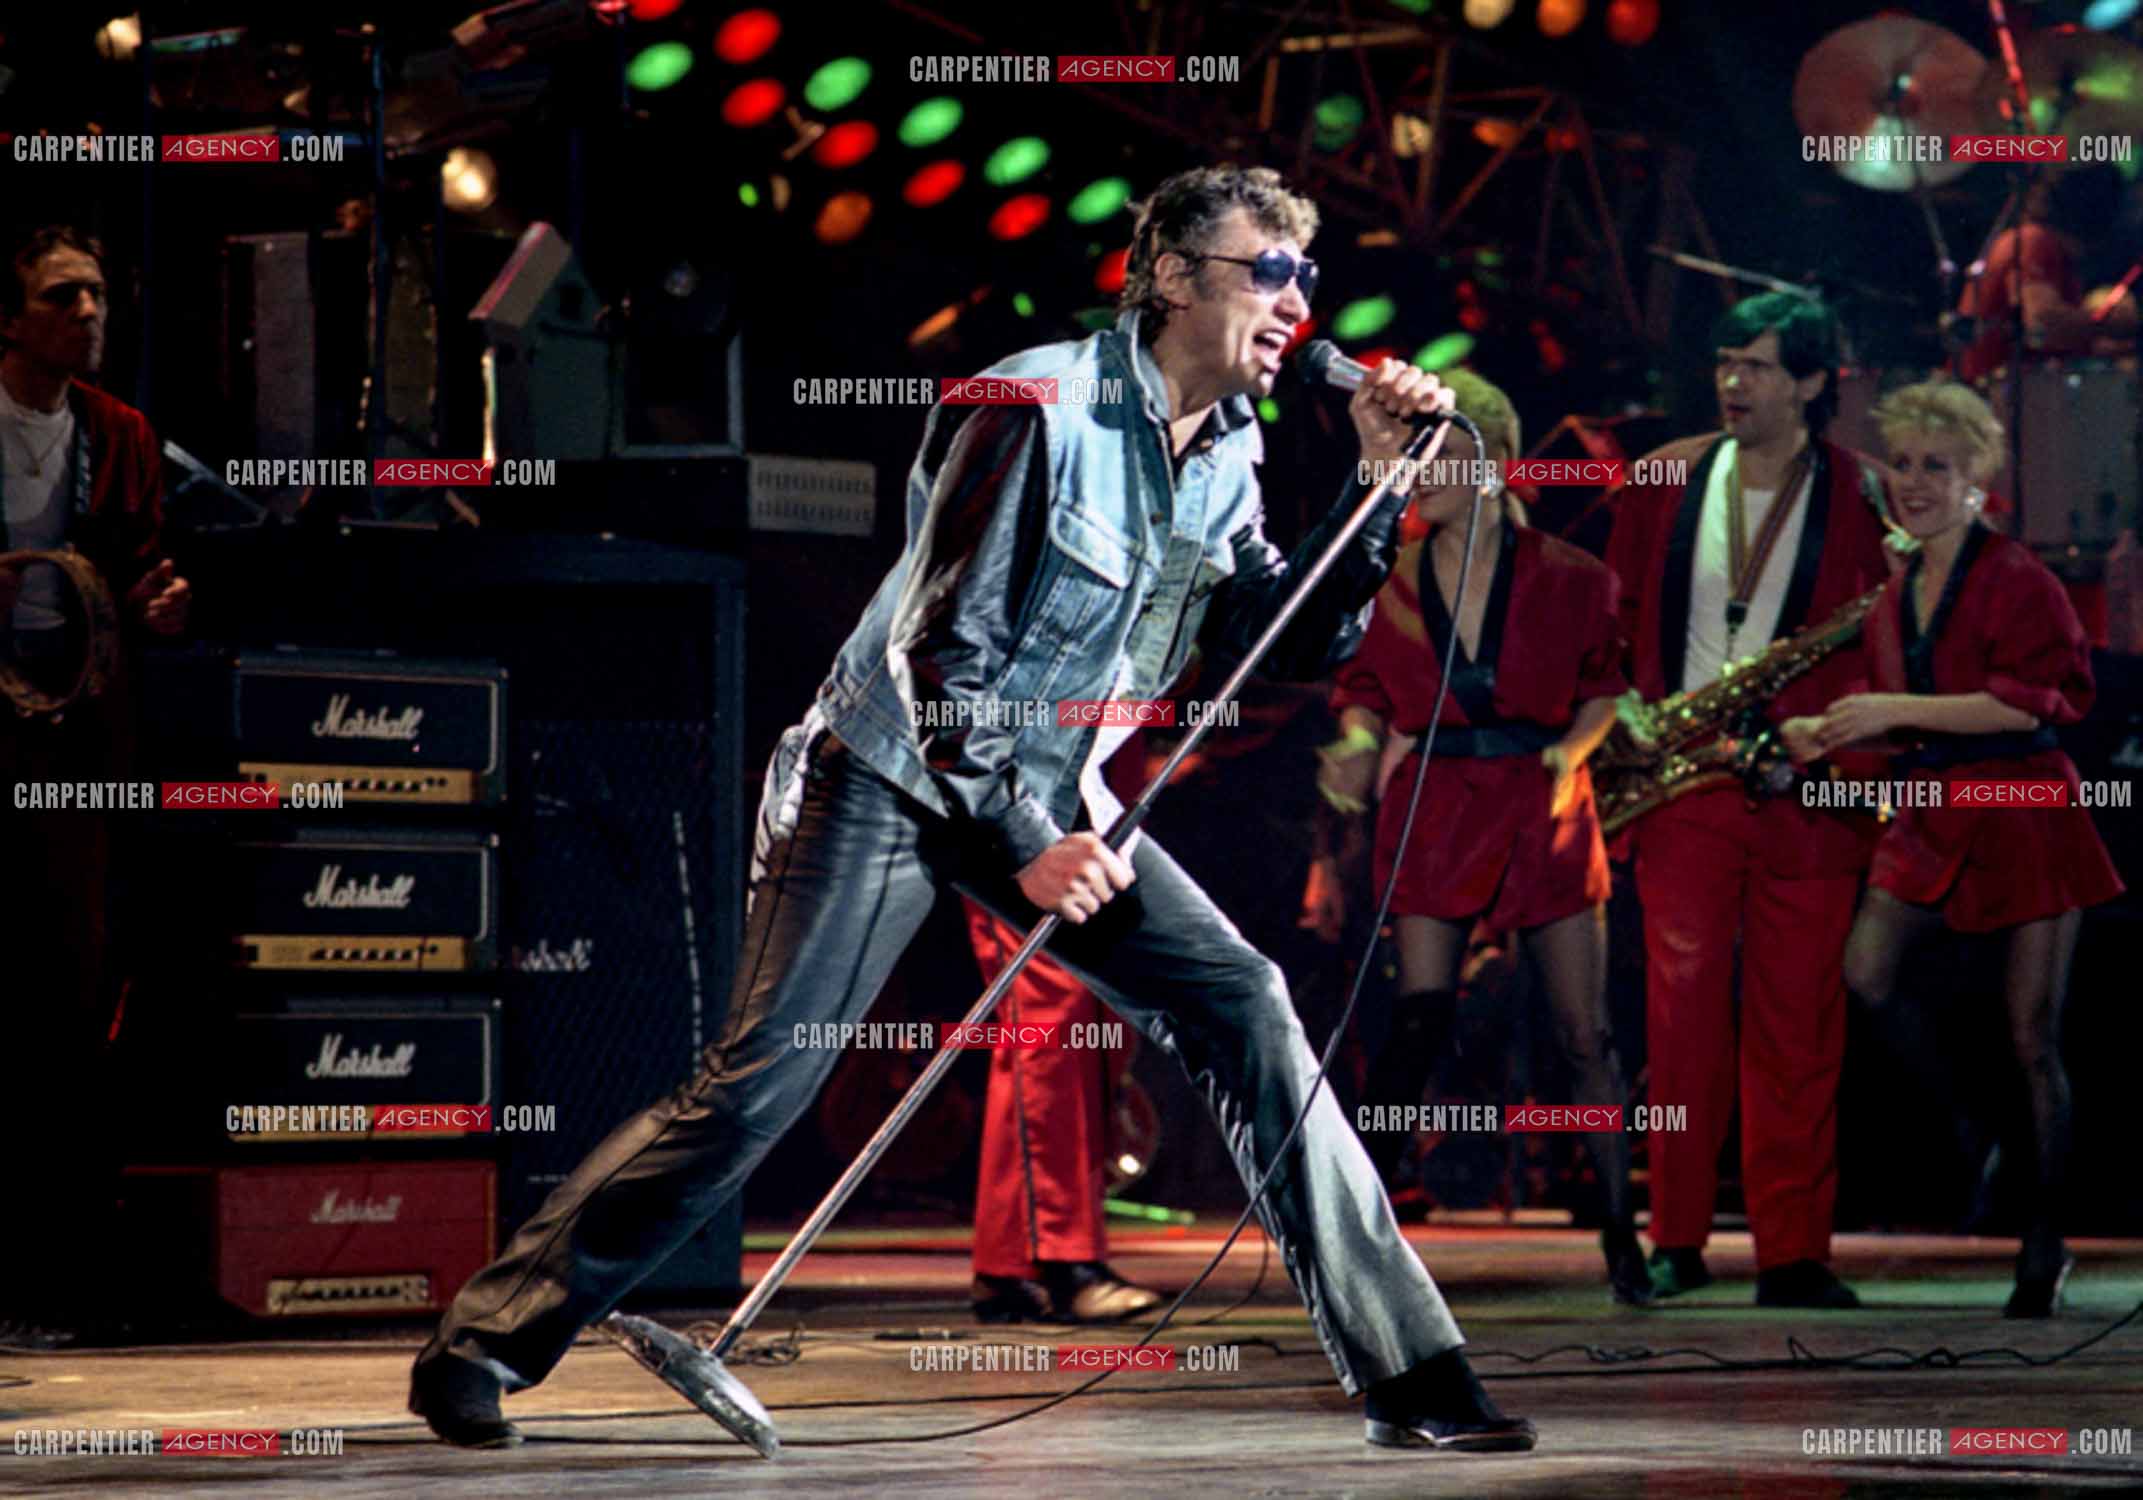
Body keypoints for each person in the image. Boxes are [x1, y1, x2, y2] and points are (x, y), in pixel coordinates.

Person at [410, 164, 1537, 1455]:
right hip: (887, 772)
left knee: (1246, 1005)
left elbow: (1280, 646)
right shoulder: (1031, 403)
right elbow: (941, 654)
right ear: (1171, 279)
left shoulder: (1231, 446)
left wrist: (1373, 487)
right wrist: (1025, 842)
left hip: (1055, 782)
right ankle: (486, 1341)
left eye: (1305, 277)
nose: (1295, 304)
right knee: (760, 1083)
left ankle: (1411, 1375)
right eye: (1265, 272)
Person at [1303, 370, 1650, 1306]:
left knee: (1583, 1033)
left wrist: (1570, 755)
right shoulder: (1389, 578)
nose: (1421, 470)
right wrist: (1355, 747)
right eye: (1412, 452)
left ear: (1494, 464)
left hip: (1543, 799)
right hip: (1439, 801)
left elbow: (1604, 689)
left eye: (1441, 452)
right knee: (1417, 1016)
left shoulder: (1575, 577)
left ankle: (1624, 1237)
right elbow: (1363, 696)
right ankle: (1354, 1243)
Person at [1800, 379, 2122, 1317]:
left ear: (1977, 479)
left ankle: (2043, 1240)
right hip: (1935, 803)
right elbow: (1906, 720)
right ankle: (1985, 1132)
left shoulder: (2019, 577)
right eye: (1900, 464)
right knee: (1865, 977)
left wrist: (1888, 709)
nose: (1912, 482)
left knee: (2032, 1035)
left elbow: (2030, 704)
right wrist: (1824, 731)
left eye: (1934, 466)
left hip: (2024, 804)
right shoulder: (1895, 592)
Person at [1604, 292, 1892, 1308]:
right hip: (1681, 782)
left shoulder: (1867, 494)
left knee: (1799, 1022)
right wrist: (1622, 712)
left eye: (1758, 366)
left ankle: (1792, 1252)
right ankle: (1676, 1236)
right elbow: (1612, 611)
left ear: (1812, 383)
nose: (1731, 382)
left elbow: (1883, 639)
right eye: (1726, 361)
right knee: (1678, 1018)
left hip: (1807, 790)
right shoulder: (1664, 474)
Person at [0, 224, 190, 1349]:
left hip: (73, 736)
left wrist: (161, 601)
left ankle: (58, 1271)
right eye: (63, 296)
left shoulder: (118, 432)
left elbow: (143, 567)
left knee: (72, 990)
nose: (88, 314)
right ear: (9, 317)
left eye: (99, 296)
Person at [1954, 166, 2139, 382]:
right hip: (1990, 396)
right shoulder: (2034, 241)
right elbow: (2042, 325)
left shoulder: (2036, 241)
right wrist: (2120, 324)